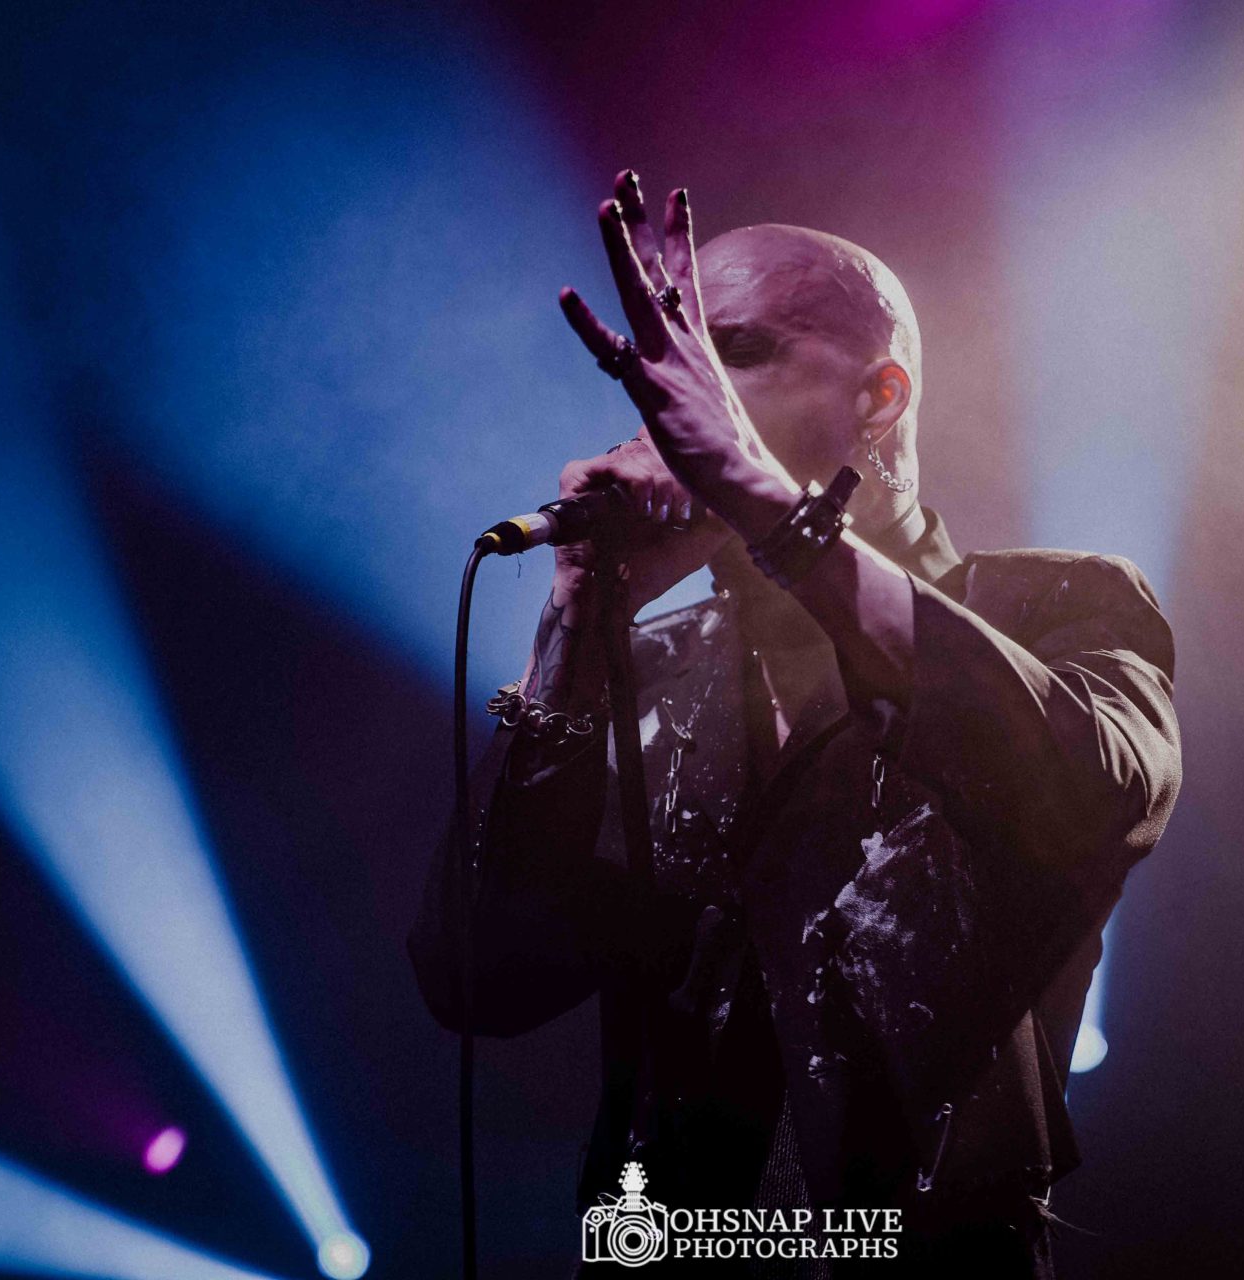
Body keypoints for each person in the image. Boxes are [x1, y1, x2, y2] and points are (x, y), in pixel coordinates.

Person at [409, 170, 1182, 1277]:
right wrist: (574, 625)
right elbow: (477, 978)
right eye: (664, 366)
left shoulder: (1052, 607)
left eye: (733, 353)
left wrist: (762, 497)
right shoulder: (649, 670)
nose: (678, 398)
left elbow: (1092, 790)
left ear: (880, 396)